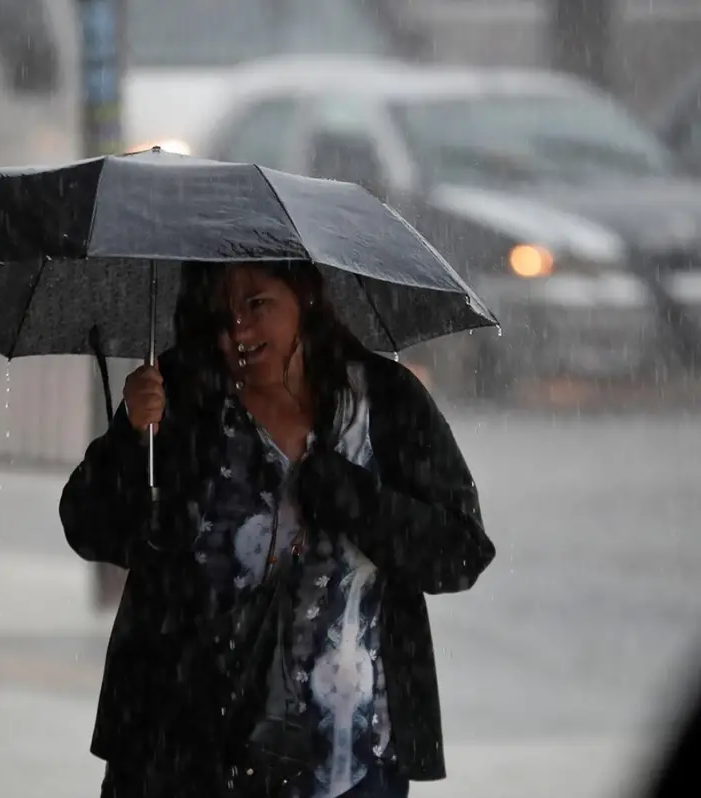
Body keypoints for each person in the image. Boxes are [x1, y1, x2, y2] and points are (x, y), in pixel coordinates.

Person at [60, 260, 496, 798]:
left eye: (257, 304)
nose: (238, 329)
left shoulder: (385, 402)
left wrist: (349, 494)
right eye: (222, 313)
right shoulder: (180, 398)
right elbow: (88, 527)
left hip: (349, 763)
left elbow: (460, 551)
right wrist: (129, 437)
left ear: (305, 298)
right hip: (182, 754)